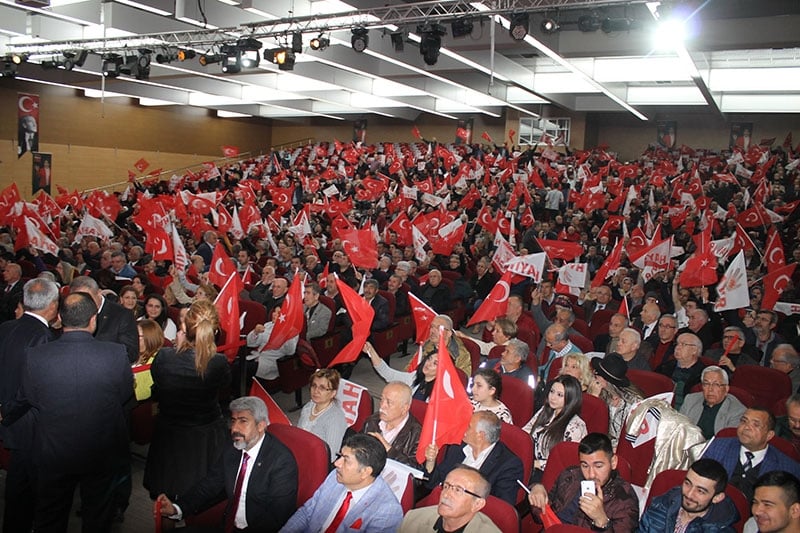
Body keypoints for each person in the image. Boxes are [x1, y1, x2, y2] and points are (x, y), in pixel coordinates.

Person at [15, 291, 133, 533]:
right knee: (98, 519)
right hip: (101, 450)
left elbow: (32, 398)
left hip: (53, 451)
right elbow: (123, 396)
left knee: (49, 518)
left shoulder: (36, 356)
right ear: (93, 320)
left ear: (60, 318)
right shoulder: (115, 354)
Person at [157, 396, 298, 532]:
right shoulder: (233, 447)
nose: (234, 428)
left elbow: (276, 517)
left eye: (243, 421)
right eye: (233, 420)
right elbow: (210, 485)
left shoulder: (281, 462)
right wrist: (177, 508)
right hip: (227, 526)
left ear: (260, 425)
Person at [144, 299, 232, 499]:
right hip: (206, 438)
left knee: (165, 498)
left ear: (183, 326)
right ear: (214, 331)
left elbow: (158, 384)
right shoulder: (218, 362)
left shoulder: (164, 357)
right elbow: (225, 384)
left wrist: (179, 346)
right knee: (203, 496)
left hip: (170, 435)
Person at [0, 278, 59, 533]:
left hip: (11, 422)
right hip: (27, 425)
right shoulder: (44, 338)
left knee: (16, 489)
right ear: (53, 306)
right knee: (31, 493)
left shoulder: (5, 327)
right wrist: (7, 412)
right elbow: (31, 389)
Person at [282, 433, 403, 532]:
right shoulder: (336, 477)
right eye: (340, 456)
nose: (336, 464)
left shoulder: (387, 511)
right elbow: (307, 513)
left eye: (346, 460)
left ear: (365, 472)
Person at [527, 433, 640, 532]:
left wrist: (601, 520)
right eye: (585, 465)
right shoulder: (570, 475)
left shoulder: (625, 499)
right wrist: (537, 489)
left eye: (598, 466)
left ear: (613, 462)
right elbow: (541, 515)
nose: (591, 474)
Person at [424, 411, 524, 505]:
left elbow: (500, 507)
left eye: (468, 427)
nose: (463, 428)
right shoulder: (458, 447)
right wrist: (431, 461)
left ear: (480, 435)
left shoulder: (508, 465)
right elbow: (434, 483)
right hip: (442, 503)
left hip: (473, 516)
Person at [702, 407, 800, 502]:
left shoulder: (788, 468)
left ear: (769, 435)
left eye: (756, 425)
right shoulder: (717, 447)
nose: (747, 427)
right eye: (744, 421)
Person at [638, 458, 739, 532]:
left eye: (700, 491)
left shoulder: (720, 530)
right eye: (687, 484)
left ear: (717, 498)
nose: (689, 494)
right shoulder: (660, 506)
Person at [400, 466, 501, 533]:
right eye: (446, 486)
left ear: (477, 504)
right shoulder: (414, 518)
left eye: (458, 490)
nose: (446, 495)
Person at [523, 375, 587, 478]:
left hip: (552, 474)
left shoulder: (576, 427)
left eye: (559, 395)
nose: (553, 397)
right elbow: (525, 432)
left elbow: (567, 462)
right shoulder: (546, 410)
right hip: (532, 464)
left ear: (570, 398)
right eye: (552, 392)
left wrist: (536, 464)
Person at [70, 275, 139, 362]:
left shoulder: (123, 315)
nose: (83, 303)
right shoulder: (72, 312)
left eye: (88, 298)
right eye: (78, 300)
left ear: (99, 293)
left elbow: (131, 353)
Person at [588, 353, 644, 448]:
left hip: (620, 447)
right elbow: (589, 425)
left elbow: (631, 438)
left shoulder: (633, 404)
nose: (594, 375)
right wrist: (593, 398)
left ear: (606, 380)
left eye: (596, 373)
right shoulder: (602, 393)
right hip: (600, 442)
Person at [362, 381, 422, 468]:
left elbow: (416, 473)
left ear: (404, 408)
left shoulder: (416, 435)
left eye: (389, 402)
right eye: (381, 399)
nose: (382, 406)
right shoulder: (373, 420)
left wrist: (389, 451)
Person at [679, 365, 747, 439]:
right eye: (706, 384)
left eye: (716, 384)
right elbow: (679, 429)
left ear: (726, 389)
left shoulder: (737, 411)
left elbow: (727, 442)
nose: (710, 389)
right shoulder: (690, 400)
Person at [296, 368, 348, 461]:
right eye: (314, 386)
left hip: (315, 462)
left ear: (333, 393)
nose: (316, 391)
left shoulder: (335, 418)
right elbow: (297, 435)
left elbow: (331, 456)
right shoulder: (308, 406)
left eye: (322, 388)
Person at [363, 340, 438, 401]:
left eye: (435, 363)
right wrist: (371, 351)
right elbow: (388, 374)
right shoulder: (414, 377)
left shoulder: (440, 392)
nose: (428, 364)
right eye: (429, 359)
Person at [656, 332, 706, 410]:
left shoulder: (703, 374)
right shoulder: (664, 367)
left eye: (683, 344)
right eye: (677, 344)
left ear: (694, 350)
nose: (677, 348)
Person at [133, 318, 164, 401]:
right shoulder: (129, 357)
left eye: (137, 336)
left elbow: (142, 394)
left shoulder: (157, 363)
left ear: (149, 339)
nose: (132, 339)